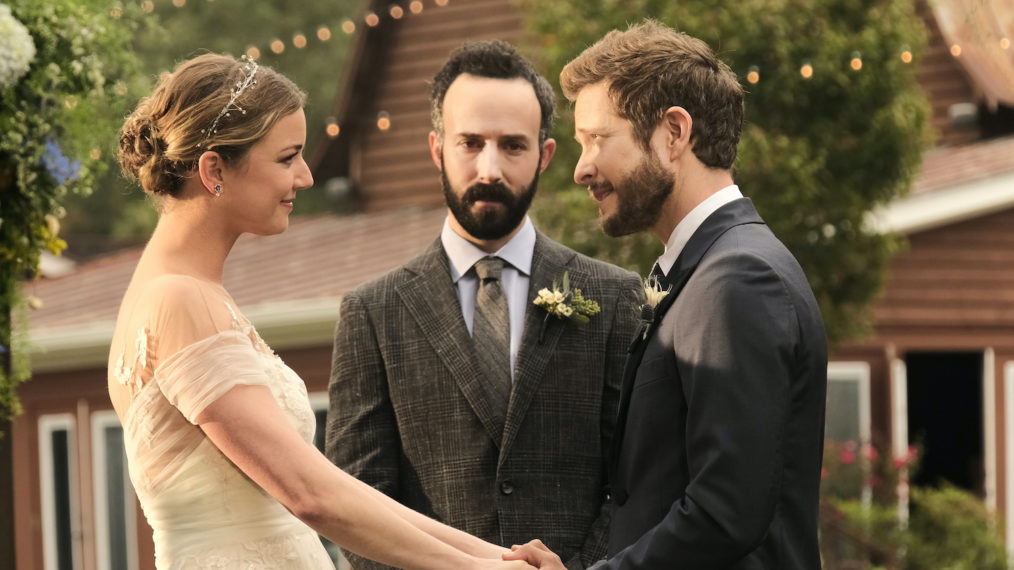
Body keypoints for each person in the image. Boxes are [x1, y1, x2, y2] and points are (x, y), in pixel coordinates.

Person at [108, 53, 536, 570]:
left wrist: (498, 557)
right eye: (288, 157)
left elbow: (329, 484)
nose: (307, 177)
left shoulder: (177, 293)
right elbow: (311, 495)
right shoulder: (180, 299)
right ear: (214, 169)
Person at [505, 20, 828, 569]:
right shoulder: (709, 269)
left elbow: (725, 513)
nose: (581, 168)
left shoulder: (736, 280)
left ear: (674, 133)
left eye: (598, 140)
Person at [326, 40, 643, 570]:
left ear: (544, 155)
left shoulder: (612, 298)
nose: (489, 168)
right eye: (470, 143)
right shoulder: (372, 314)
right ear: (437, 149)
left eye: (512, 146)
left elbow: (634, 479)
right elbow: (358, 504)